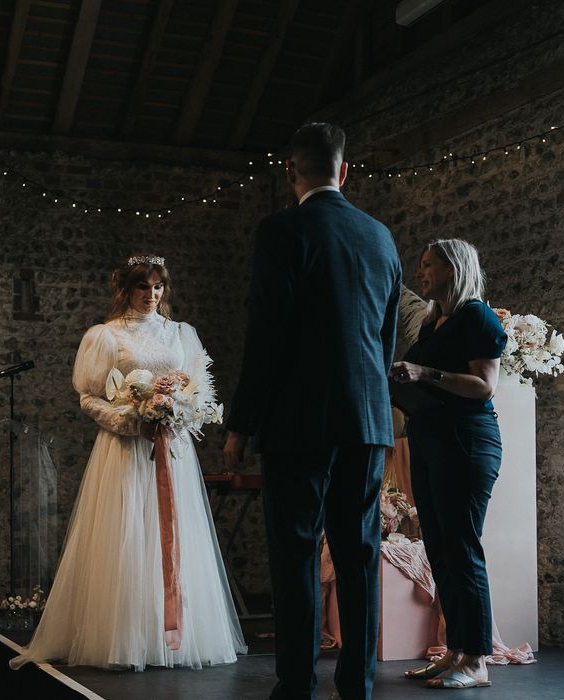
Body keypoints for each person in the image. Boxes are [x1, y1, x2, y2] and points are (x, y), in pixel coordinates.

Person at [223, 122, 402, 700]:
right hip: (368, 418)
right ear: (345, 170)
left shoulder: (281, 230)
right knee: (359, 554)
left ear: (290, 170)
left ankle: (297, 684)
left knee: (296, 551)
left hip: (298, 419)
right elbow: (386, 337)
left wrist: (240, 423)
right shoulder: (381, 238)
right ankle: (359, 684)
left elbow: (266, 335)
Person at [10, 254, 246, 671]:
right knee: (126, 535)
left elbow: (198, 387)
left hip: (172, 452)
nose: (151, 295)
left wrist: (182, 411)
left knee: (173, 535)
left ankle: (171, 634)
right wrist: (129, 419)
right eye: (143, 286)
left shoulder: (181, 333)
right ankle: (125, 636)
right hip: (124, 450)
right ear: (125, 289)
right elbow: (89, 396)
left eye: (158, 287)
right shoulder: (105, 336)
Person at [390, 239, 506, 690]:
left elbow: (484, 386)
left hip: (467, 443)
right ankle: (456, 650)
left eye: (427, 265)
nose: (421, 274)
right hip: (431, 441)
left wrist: (424, 375)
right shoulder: (435, 323)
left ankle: (477, 660)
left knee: (462, 549)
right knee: (438, 548)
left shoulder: (477, 316)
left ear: (453, 268)